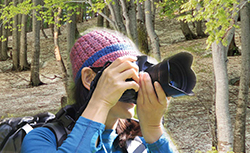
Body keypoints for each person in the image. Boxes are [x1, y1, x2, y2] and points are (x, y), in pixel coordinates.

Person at [21, 29, 176, 153]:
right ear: (89, 79)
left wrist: (153, 130)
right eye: (125, 75)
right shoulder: (42, 139)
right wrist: (100, 101)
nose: (135, 85)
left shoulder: (138, 141)